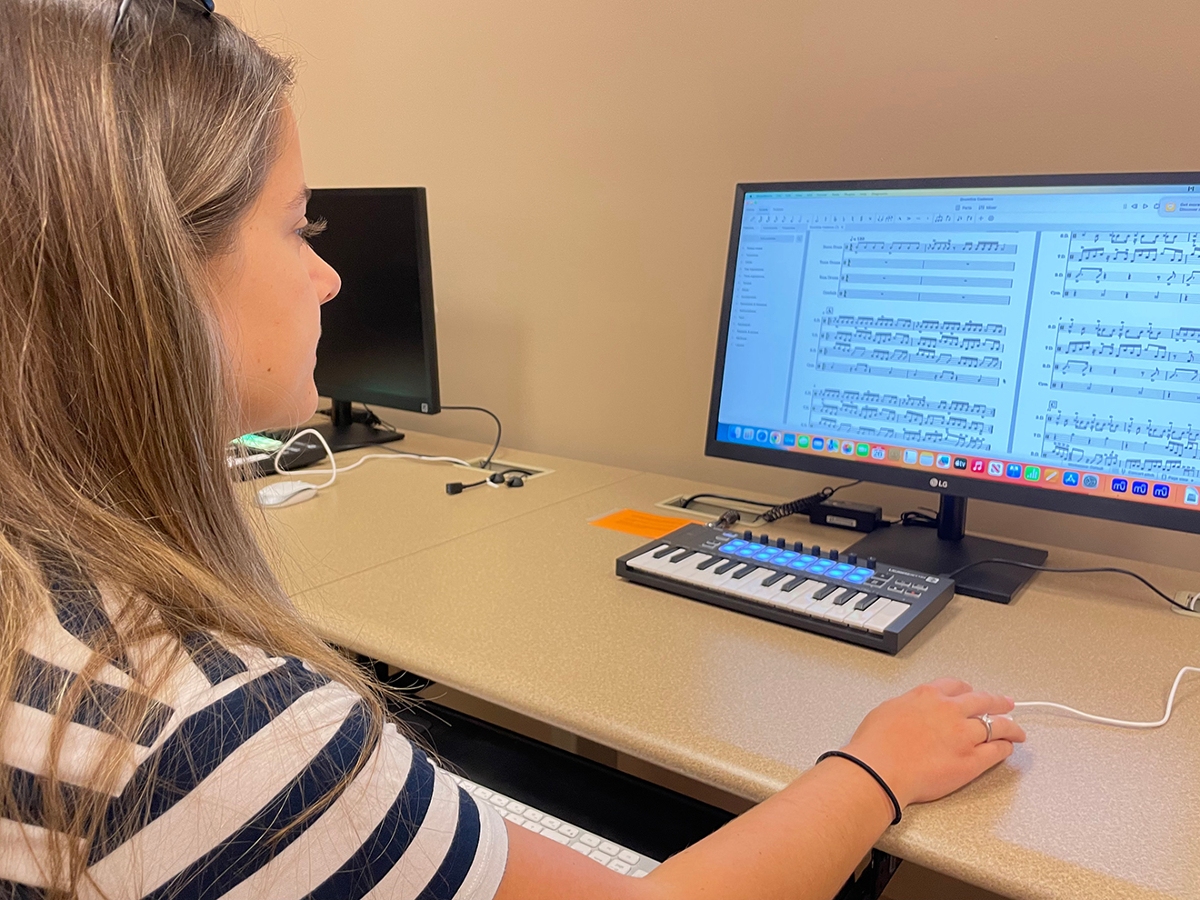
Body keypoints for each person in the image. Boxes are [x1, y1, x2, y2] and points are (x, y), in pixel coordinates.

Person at [0, 2, 1026, 898]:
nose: (328, 280)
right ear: (150, 277)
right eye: (299, 228)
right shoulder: (222, 737)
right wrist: (872, 770)